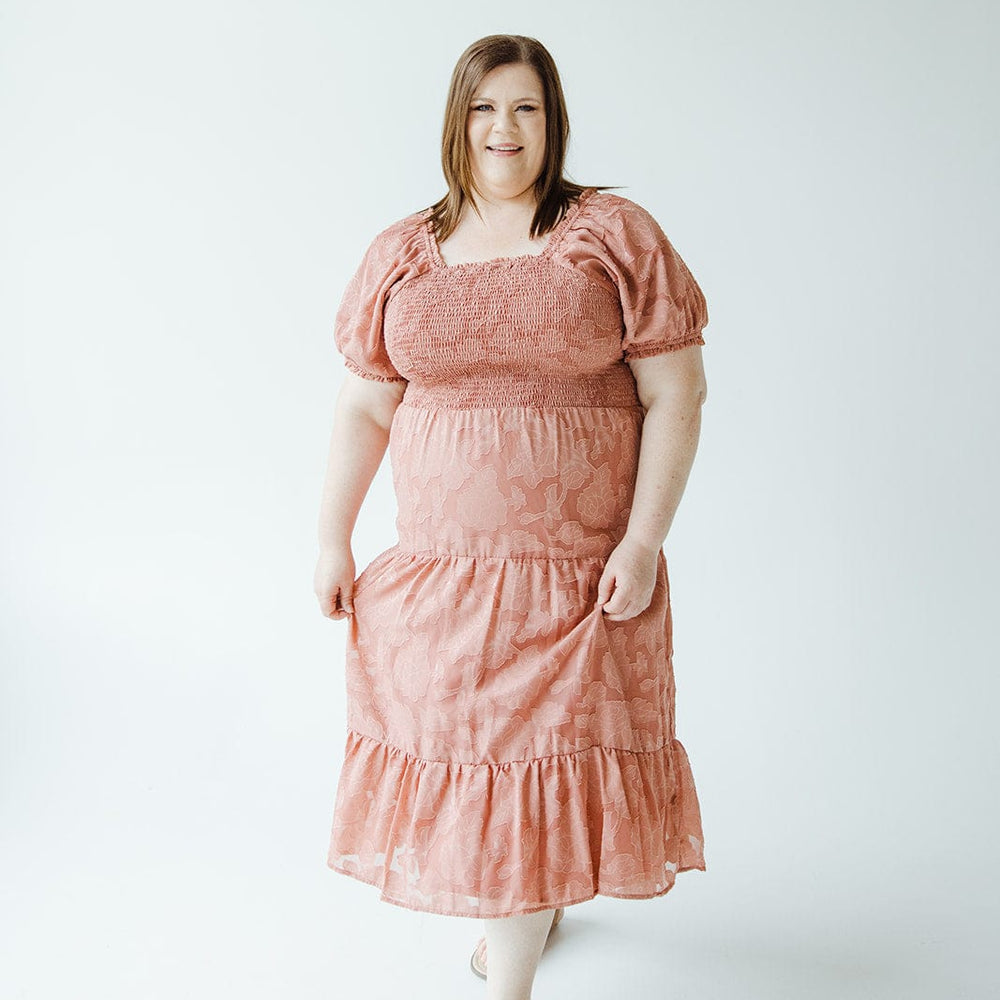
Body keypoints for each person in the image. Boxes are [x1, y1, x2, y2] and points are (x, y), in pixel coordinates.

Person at [314, 33, 709, 1000]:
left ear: (553, 122)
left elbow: (678, 393)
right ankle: (523, 921)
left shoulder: (610, 232)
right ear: (458, 119)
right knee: (492, 775)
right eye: (487, 107)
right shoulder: (402, 251)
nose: (505, 128)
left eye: (526, 107)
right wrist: (332, 534)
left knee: (533, 771)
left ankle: (511, 981)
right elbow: (367, 405)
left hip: (576, 584)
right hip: (443, 581)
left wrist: (646, 539)